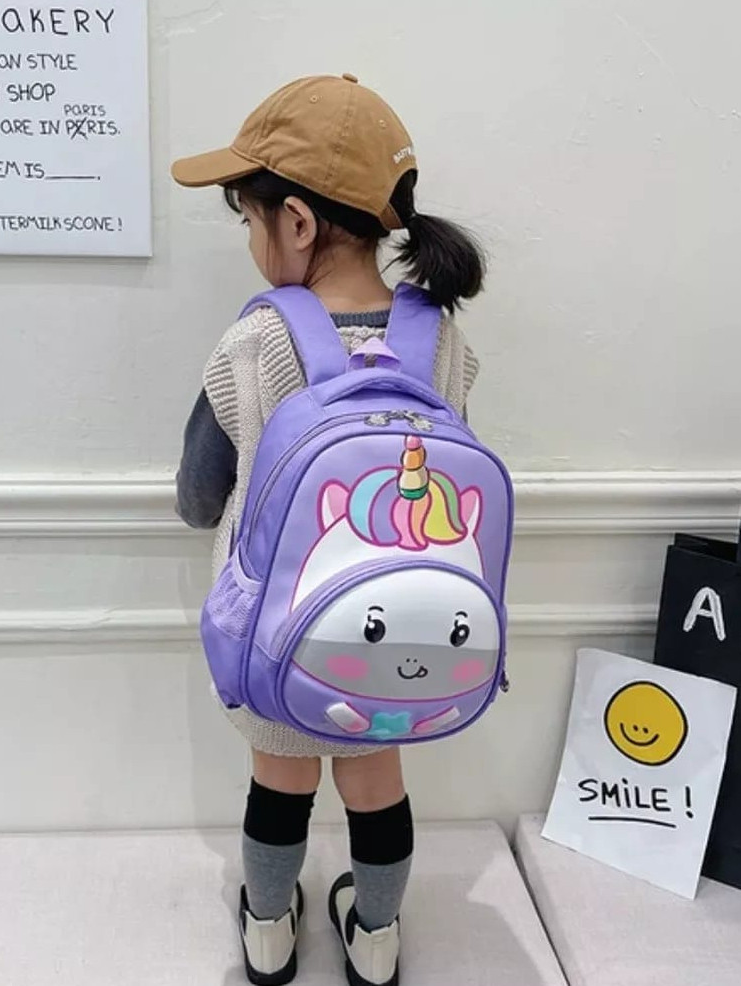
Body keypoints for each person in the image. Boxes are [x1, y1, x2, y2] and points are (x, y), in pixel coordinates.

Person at [171, 73, 485, 986]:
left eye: (248, 219)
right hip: (403, 634)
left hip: (277, 634)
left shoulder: (256, 340)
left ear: (298, 222)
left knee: (280, 782)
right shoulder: (440, 338)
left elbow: (198, 490)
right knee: (376, 783)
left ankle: (269, 930)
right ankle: (375, 939)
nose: (250, 240)